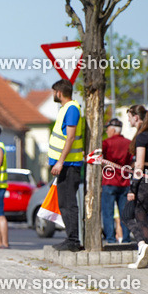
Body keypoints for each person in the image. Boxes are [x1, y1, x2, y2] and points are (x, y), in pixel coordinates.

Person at [48, 79, 85, 251]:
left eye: (54, 92)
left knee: (69, 203)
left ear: (59, 92)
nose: (53, 95)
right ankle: (70, 238)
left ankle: (73, 240)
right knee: (64, 202)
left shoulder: (71, 109)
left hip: (69, 165)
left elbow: (70, 137)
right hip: (65, 164)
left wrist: (60, 162)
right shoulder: (66, 109)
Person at [124, 105, 148, 268]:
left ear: (136, 117)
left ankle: (141, 245)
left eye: (129, 117)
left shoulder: (142, 136)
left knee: (128, 214)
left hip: (143, 178)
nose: (128, 120)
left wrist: (132, 188)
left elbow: (139, 164)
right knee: (141, 215)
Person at [100, 117, 131, 243]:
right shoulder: (129, 143)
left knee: (108, 213)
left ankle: (111, 239)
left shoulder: (106, 143)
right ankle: (126, 238)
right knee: (125, 213)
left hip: (109, 181)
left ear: (113, 130)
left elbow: (100, 160)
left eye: (108, 129)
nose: (107, 132)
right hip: (124, 181)